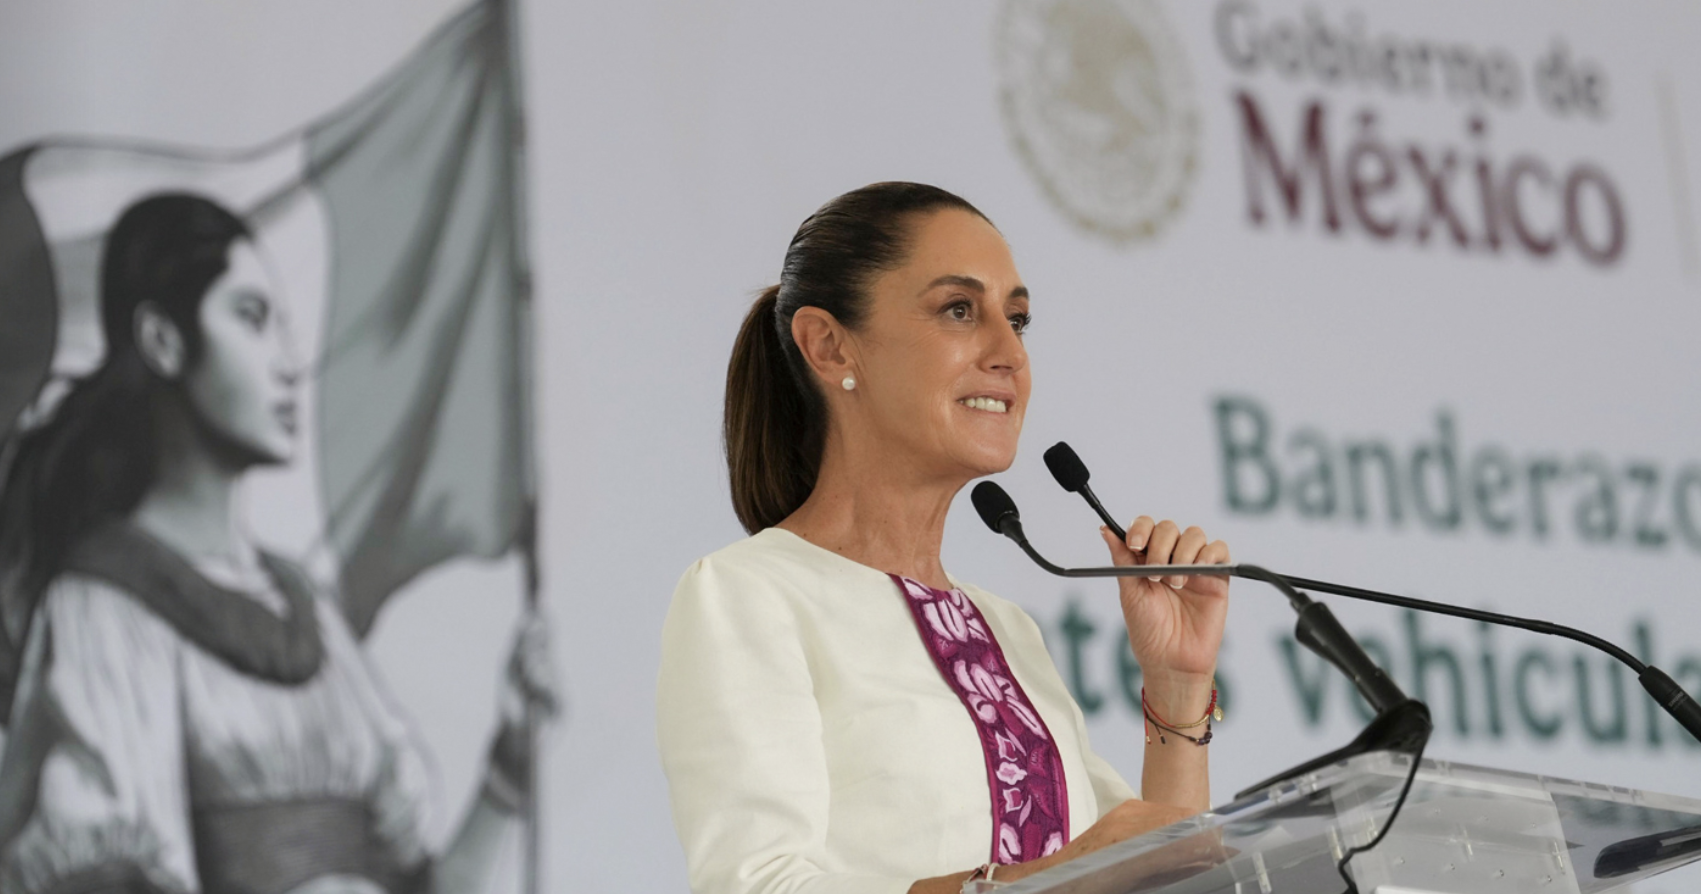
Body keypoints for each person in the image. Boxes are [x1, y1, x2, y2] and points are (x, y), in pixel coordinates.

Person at [658, 181, 1233, 893]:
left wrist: (1177, 689)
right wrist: (1036, 882)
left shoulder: (1008, 629)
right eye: (960, 310)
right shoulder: (749, 594)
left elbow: (1160, 877)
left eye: (1017, 321)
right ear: (830, 346)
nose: (1008, 353)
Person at [0, 193, 555, 894]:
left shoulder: (308, 612)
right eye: (252, 318)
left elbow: (421, 884)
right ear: (163, 342)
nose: (291, 363)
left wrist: (510, 761)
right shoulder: (102, 609)